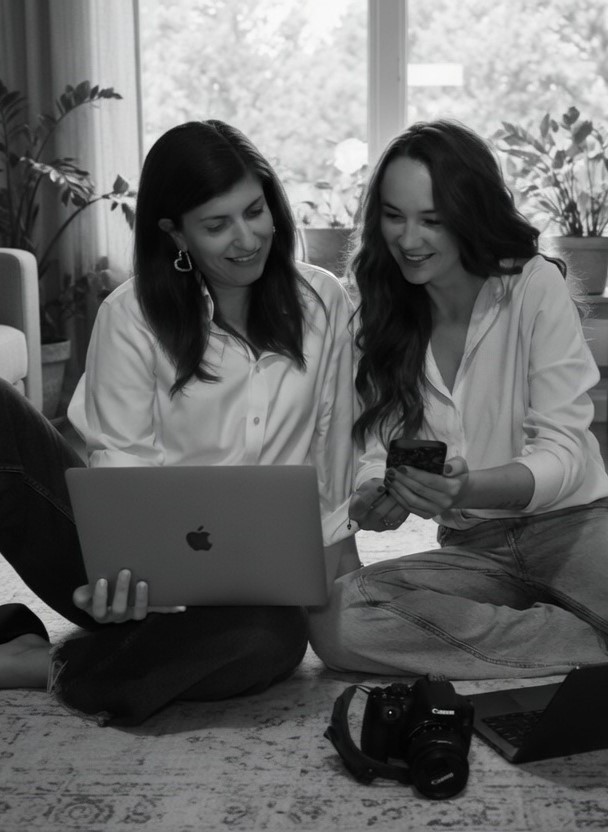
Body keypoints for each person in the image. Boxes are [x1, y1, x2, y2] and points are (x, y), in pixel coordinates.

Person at [0, 119, 360, 725]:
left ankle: (40, 663)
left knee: (270, 641)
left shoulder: (322, 302)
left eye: (255, 211)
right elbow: (119, 467)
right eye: (217, 225)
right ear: (175, 233)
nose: (246, 238)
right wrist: (120, 573)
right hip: (123, 575)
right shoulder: (131, 315)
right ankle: (118, 642)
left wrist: (346, 609)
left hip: (249, 592)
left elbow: (332, 460)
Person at [308, 118, 608, 679]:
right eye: (394, 217)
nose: (408, 239)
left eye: (431, 220)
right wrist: (375, 497)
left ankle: (603, 632)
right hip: (473, 547)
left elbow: (566, 455)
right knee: (340, 618)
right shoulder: (378, 317)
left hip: (576, 528)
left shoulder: (531, 286)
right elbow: (381, 451)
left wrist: (468, 485)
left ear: (469, 216)